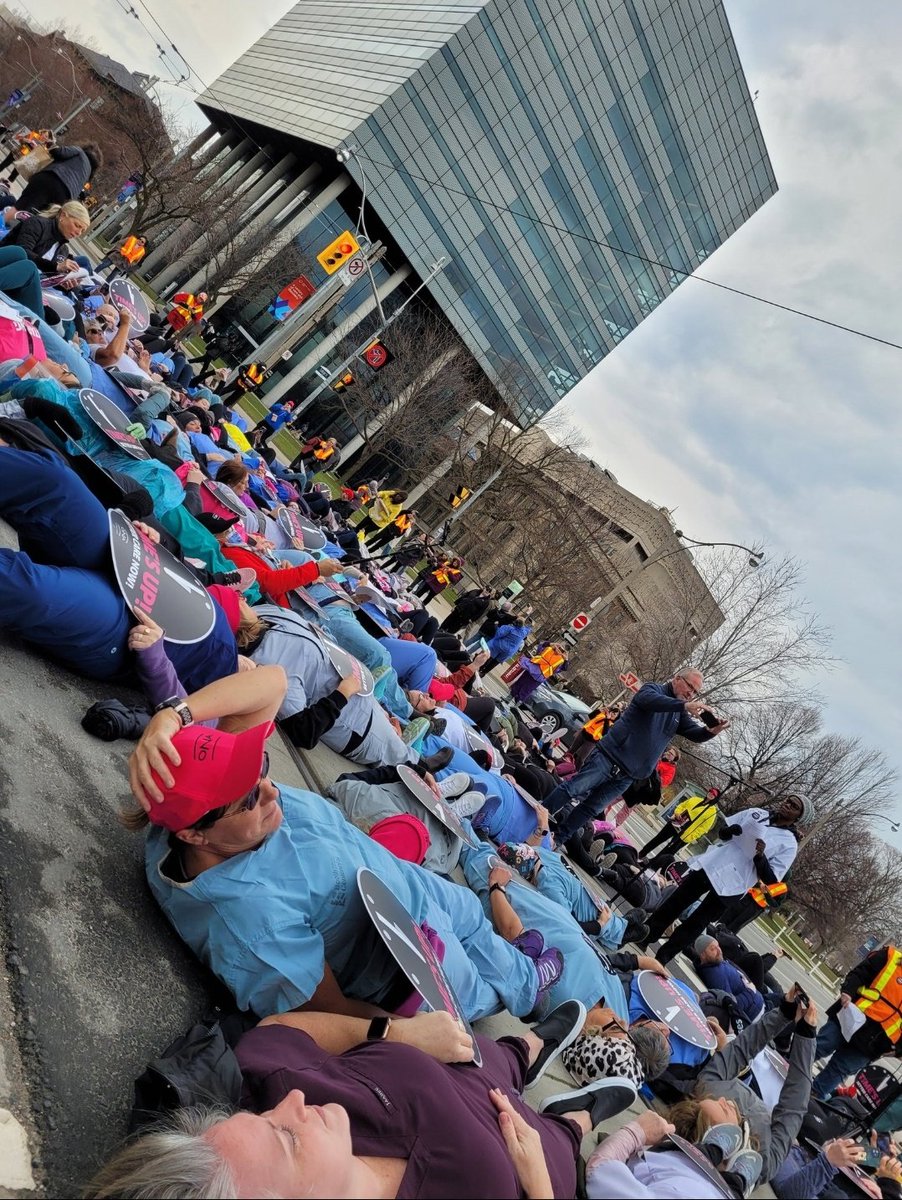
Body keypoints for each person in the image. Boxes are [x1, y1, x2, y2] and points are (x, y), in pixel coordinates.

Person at [125, 668, 567, 1023]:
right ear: (192, 836)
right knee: (477, 992)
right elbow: (328, 1012)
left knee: (472, 917)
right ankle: (528, 984)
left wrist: (174, 715)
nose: (271, 790)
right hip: (408, 955)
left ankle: (518, 965)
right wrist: (411, 1037)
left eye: (260, 769)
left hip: (407, 881)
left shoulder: (216, 815)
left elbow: (273, 681)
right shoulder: (251, 921)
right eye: (249, 797)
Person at [86, 1005, 613, 1200]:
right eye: (286, 1138)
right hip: (545, 1162)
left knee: (508, 1052)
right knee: (570, 1135)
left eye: (260, 1115)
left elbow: (278, 1030)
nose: (290, 1101)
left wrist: (393, 1033)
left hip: (471, 1066)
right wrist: (540, 1186)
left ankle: (533, 1048)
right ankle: (582, 1113)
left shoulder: (278, 1089)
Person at [546, 670, 730, 847]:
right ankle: (538, 817)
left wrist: (711, 731)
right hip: (609, 757)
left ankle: (559, 838)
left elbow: (695, 733)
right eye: (690, 687)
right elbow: (651, 701)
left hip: (629, 774)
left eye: (696, 692)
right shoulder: (652, 689)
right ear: (677, 679)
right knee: (572, 789)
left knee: (591, 808)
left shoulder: (678, 714)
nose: (691, 694)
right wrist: (683, 706)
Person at [639, 794, 813, 965]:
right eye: (788, 800)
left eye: (794, 806)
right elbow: (723, 833)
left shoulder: (789, 844)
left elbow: (772, 879)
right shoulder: (758, 814)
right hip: (714, 864)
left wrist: (760, 856)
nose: (787, 805)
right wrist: (732, 831)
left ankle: (662, 958)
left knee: (696, 922)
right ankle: (645, 935)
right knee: (675, 902)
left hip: (733, 885)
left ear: (798, 817)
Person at [812, 943, 902, 1100]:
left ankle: (809, 1098)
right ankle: (785, 1068)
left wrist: (899, 1050)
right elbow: (860, 973)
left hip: (875, 1043)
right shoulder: (890, 957)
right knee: (819, 1046)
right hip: (850, 1017)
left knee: (838, 1070)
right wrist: (847, 991)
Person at [637, 786, 722, 871]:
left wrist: (691, 836)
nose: (711, 794)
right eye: (710, 791)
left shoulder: (712, 812)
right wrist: (677, 812)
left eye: (713, 794)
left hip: (684, 834)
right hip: (675, 824)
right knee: (658, 839)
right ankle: (641, 854)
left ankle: (651, 865)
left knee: (668, 851)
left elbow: (704, 828)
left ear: (715, 798)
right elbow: (682, 805)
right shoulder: (696, 799)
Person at [691, 934, 765, 1026]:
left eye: (718, 946)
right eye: (713, 949)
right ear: (703, 955)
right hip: (757, 1013)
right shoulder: (716, 975)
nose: (719, 950)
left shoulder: (715, 962)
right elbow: (731, 1005)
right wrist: (750, 992)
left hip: (758, 1001)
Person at [2, 199, 90, 277]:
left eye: (82, 231)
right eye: (77, 226)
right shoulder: (37, 224)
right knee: (29, 267)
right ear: (63, 215)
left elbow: (49, 276)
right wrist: (56, 266)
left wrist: (64, 283)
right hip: (6, 266)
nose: (78, 233)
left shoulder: (63, 250)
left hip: (25, 281)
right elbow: (22, 252)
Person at [15, 142, 102, 210]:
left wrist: (52, 146)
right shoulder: (88, 173)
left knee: (22, 205)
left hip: (51, 178)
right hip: (64, 197)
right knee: (36, 213)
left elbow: (59, 152)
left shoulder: (79, 151)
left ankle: (5, 222)